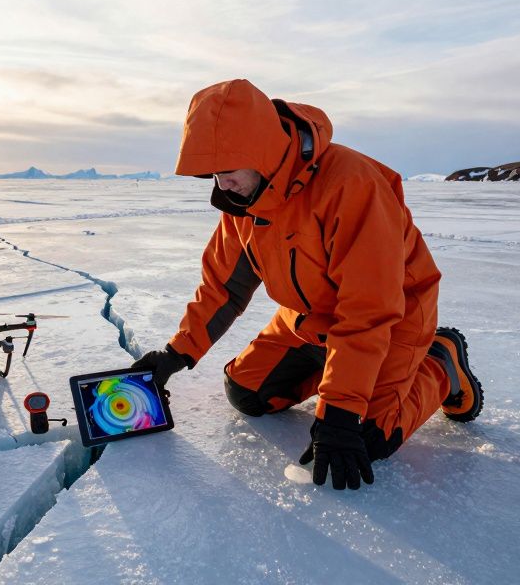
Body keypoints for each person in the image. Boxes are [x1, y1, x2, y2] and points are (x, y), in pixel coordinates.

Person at [133, 79, 483, 491]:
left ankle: (439, 363)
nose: (220, 184)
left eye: (226, 171)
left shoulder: (352, 185)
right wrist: (176, 354)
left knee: (365, 437)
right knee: (246, 393)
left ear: (259, 152)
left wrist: (339, 411)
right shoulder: (243, 202)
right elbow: (221, 289)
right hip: (307, 320)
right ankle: (340, 367)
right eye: (213, 173)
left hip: (391, 320)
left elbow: (368, 307)